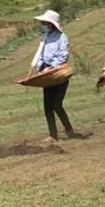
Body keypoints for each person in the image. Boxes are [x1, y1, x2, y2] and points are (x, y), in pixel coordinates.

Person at [32, 10, 76, 141]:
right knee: (47, 106)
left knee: (57, 104)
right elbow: (40, 54)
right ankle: (53, 134)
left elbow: (64, 55)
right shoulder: (44, 37)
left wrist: (52, 66)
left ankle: (69, 130)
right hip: (46, 75)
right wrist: (40, 67)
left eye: (44, 22)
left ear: (51, 23)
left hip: (58, 73)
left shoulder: (61, 37)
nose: (42, 24)